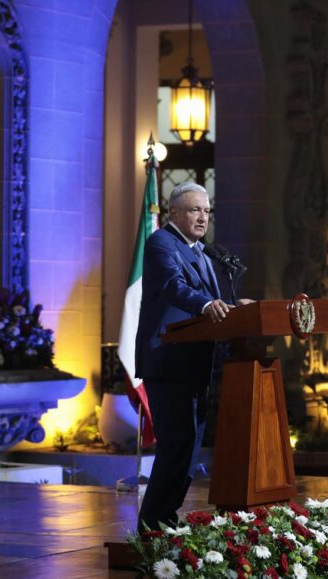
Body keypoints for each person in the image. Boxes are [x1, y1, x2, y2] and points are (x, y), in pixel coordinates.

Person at [134, 181, 232, 532]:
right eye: (194, 210)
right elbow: (176, 287)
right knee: (175, 446)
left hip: (196, 366)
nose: (203, 217)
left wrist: (237, 310)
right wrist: (207, 305)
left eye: (206, 211)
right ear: (173, 212)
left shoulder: (203, 253)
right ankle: (151, 525)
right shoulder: (161, 243)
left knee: (189, 451)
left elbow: (213, 303)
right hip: (169, 363)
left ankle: (166, 518)